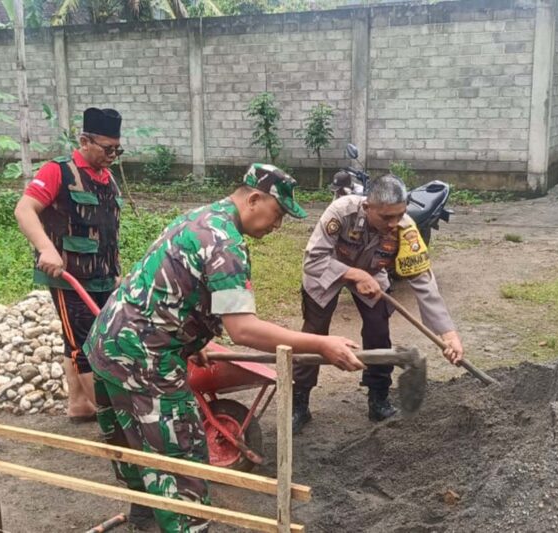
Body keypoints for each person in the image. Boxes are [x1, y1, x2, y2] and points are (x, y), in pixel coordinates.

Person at [85, 164, 365, 532]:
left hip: (107, 345)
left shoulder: (199, 218)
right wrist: (321, 344)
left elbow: (171, 288)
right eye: (278, 214)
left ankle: (145, 521)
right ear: (253, 199)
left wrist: (190, 339)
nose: (277, 225)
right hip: (144, 359)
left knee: (138, 448)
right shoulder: (225, 243)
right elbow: (244, 329)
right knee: (183, 458)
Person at [293, 174, 464, 432]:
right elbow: (313, 261)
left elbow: (423, 281)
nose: (394, 223)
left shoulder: (406, 229)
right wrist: (354, 274)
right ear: (367, 207)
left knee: (378, 330)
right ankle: (299, 402)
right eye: (386, 218)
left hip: (372, 274)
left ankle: (379, 397)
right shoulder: (340, 212)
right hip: (326, 272)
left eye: (400, 215)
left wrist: (448, 334)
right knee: (314, 333)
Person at [14, 107, 124, 423]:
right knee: (86, 345)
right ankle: (112, 419)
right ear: (84, 141)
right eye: (107, 148)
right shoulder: (57, 172)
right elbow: (24, 210)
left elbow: (106, 231)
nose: (112, 155)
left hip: (103, 276)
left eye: (118, 149)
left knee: (79, 339)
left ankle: (80, 405)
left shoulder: (107, 178)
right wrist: (46, 249)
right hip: (69, 275)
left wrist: (115, 271)